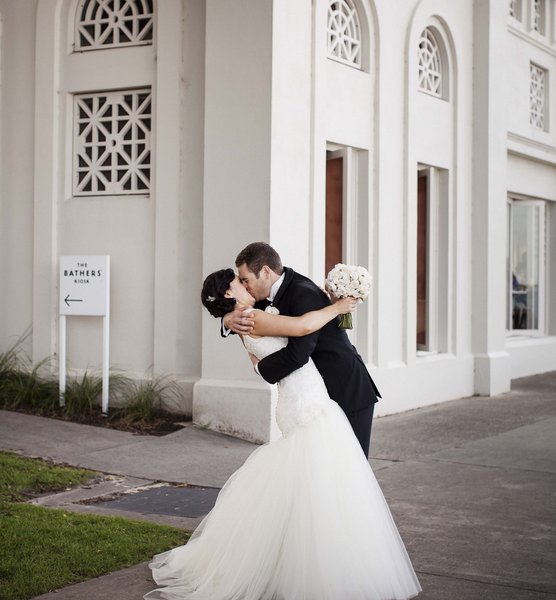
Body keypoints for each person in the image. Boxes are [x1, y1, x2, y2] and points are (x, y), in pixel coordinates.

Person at [144, 268, 421, 600]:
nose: (246, 285)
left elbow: (259, 360)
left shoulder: (244, 320)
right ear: (230, 294)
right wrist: (339, 306)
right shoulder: (252, 318)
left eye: (245, 278)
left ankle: (298, 560)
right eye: (239, 282)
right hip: (308, 406)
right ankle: (324, 568)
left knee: (314, 487)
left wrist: (234, 330)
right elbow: (302, 328)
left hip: (303, 401)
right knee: (331, 487)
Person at [223, 241, 380, 457]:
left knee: (351, 466)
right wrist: (227, 319)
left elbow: (299, 354)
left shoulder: (302, 293)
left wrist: (262, 370)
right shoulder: (266, 297)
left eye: (245, 279)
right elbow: (241, 310)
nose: (245, 285)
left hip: (346, 389)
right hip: (318, 396)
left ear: (265, 272)